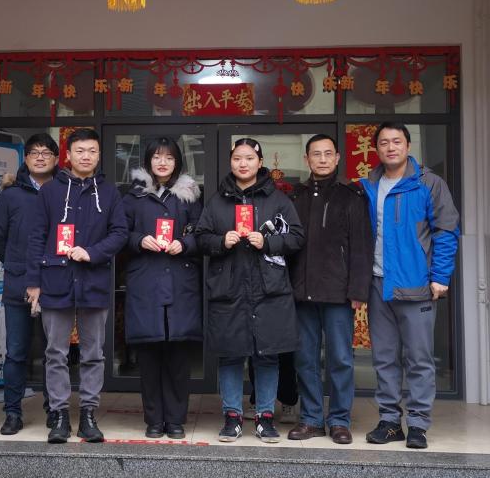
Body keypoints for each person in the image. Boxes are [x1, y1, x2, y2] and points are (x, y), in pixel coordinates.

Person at [195, 138, 305, 443]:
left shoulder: (278, 199)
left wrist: (268, 242)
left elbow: (297, 237)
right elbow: (201, 238)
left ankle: (264, 417)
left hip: (269, 289)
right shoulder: (218, 201)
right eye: (237, 158)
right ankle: (232, 416)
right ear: (231, 162)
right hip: (229, 289)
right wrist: (221, 241)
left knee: (267, 355)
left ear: (260, 162)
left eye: (249, 158)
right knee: (231, 355)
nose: (242, 164)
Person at [360, 122, 460, 449]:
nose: (391, 147)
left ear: (407, 145)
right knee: (384, 358)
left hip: (416, 284)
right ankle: (390, 421)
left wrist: (440, 276)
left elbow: (446, 230)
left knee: (419, 358)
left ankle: (418, 424)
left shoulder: (428, 183)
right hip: (378, 284)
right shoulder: (368, 186)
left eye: (396, 141)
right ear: (376, 148)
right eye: (384, 142)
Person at [25, 127, 128, 444]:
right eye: (80, 151)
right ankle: (58, 414)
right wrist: (33, 282)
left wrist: (92, 252)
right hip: (55, 280)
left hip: (93, 281)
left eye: (92, 151)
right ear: (68, 155)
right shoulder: (50, 192)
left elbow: (120, 233)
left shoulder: (109, 193)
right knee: (55, 352)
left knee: (93, 353)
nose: (86, 156)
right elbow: (36, 237)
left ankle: (88, 414)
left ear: (99, 155)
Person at [287, 134, 372, 445]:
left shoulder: (351, 196)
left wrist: (358, 291)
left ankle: (339, 420)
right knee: (305, 359)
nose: (322, 159)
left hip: (338, 293)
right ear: (307, 159)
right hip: (302, 292)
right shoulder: (295, 197)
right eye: (316, 154)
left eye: (327, 154)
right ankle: (311, 419)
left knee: (340, 359)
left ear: (337, 158)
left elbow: (361, 247)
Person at [122, 137, 203, 439]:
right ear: (148, 161)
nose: (162, 162)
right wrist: (139, 240)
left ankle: (176, 419)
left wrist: (185, 243)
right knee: (149, 357)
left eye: (168, 157)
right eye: (156, 157)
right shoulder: (133, 197)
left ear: (177, 162)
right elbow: (119, 232)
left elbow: (203, 232)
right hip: (147, 282)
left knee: (178, 358)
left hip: (180, 282)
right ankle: (154, 419)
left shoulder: (190, 196)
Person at [0, 132, 59, 436]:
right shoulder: (11, 195)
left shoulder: (63, 191)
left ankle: (54, 409)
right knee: (16, 351)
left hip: (55, 283)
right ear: (26, 158)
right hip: (18, 283)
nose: (40, 157)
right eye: (34, 153)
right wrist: (17, 263)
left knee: (53, 352)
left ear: (56, 159)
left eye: (46, 152)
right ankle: (13, 412)